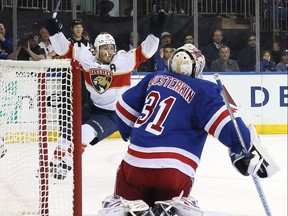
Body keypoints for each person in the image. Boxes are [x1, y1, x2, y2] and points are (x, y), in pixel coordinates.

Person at [96, 43, 279, 216]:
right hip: (174, 170)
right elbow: (229, 126)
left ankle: (124, 205)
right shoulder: (205, 89)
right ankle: (172, 207)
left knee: (125, 201)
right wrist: (243, 151)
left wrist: (129, 133)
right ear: (197, 67)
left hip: (134, 164)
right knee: (173, 201)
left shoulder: (154, 78)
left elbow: (122, 107)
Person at [43, 12, 165, 180]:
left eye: (111, 47)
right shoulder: (86, 57)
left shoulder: (124, 60)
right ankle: (53, 163)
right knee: (67, 131)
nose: (109, 51)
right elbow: (64, 49)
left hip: (114, 114)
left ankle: (66, 164)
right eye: (105, 48)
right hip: (93, 107)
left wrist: (155, 33)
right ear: (96, 49)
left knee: (86, 131)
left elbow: (147, 51)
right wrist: (55, 33)